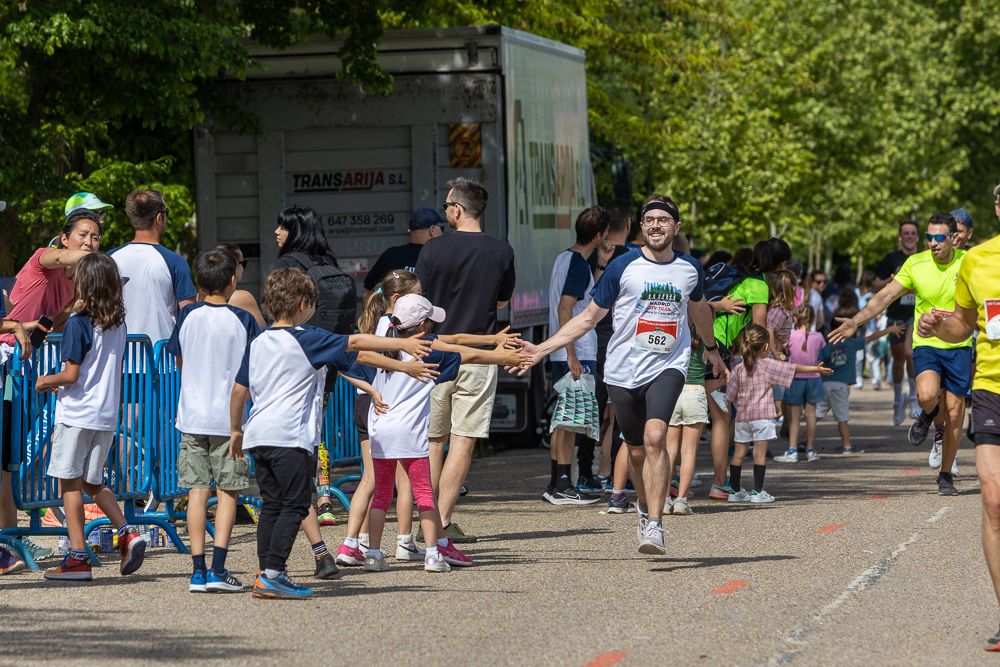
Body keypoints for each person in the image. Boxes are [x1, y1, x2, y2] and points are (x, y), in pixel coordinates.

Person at [521, 194, 727, 555]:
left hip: (668, 365)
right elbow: (587, 318)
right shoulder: (622, 267)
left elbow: (698, 310)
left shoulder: (689, 269)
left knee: (656, 436)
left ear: (676, 227)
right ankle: (644, 509)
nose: (656, 225)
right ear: (642, 227)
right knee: (634, 453)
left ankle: (656, 524)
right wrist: (541, 349)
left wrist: (712, 350)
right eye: (650, 220)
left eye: (664, 220)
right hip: (622, 369)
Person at [229, 268, 435, 599]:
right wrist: (401, 343)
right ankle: (273, 574)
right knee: (295, 505)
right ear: (302, 304)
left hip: (258, 435)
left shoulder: (258, 340)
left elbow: (239, 390)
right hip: (290, 437)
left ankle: (264, 570)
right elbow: (355, 342)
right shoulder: (307, 338)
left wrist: (236, 429)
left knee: (271, 504)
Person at [362, 294, 529, 572]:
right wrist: (503, 356)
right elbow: (466, 354)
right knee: (425, 494)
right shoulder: (428, 352)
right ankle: (431, 554)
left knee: (380, 495)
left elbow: (355, 361)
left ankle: (374, 554)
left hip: (380, 428)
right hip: (410, 433)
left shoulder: (383, 346)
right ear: (424, 326)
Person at [916, 185, 1000, 649]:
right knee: (992, 500)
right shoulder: (978, 260)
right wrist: (938, 324)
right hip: (991, 388)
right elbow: (964, 325)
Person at [832, 213, 970, 494]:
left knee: (955, 414)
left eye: (939, 237)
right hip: (927, 342)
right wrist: (856, 322)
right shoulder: (916, 263)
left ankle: (945, 475)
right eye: (929, 237)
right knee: (927, 395)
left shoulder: (967, 263)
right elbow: (884, 296)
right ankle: (927, 416)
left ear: (954, 238)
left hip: (958, 344)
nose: (932, 243)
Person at [0, 209, 102, 571]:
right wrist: (99, 261)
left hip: (25, 371)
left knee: (9, 462)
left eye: (96, 237)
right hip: (5, 363)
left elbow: (51, 321)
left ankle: (6, 545)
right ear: (64, 237)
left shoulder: (76, 286)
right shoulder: (43, 258)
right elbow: (62, 258)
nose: (89, 242)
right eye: (83, 235)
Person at [35, 254, 147, 581]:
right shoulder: (117, 323)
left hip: (77, 411)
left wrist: (44, 381)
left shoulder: (79, 323)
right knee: (94, 481)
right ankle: (127, 532)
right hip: (106, 415)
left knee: (68, 481)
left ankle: (77, 556)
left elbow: (70, 374)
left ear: (85, 284)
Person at [416, 177, 516, 543]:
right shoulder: (501, 251)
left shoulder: (431, 250)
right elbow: (502, 303)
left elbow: (419, 304)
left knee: (431, 439)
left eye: (446, 207)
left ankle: (423, 521)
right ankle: (442, 521)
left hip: (433, 353)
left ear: (457, 209)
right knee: (463, 438)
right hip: (479, 355)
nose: (445, 213)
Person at [167, 249, 261, 593]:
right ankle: (219, 568)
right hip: (229, 420)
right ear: (233, 280)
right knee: (228, 492)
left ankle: (197, 570)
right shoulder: (243, 319)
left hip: (192, 416)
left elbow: (179, 359)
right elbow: (252, 367)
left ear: (198, 283)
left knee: (196, 491)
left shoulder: (188, 316)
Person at [273, 205, 358, 520]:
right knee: (317, 426)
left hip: (296, 358)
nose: (277, 232)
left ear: (294, 231)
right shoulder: (328, 261)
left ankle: (302, 496)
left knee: (298, 430)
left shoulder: (288, 264)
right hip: (328, 357)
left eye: (282, 227)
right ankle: (323, 497)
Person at [544, 206, 609, 505]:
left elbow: (579, 299)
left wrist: (602, 265)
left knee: (565, 419)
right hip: (575, 351)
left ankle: (558, 482)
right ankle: (562, 484)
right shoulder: (578, 265)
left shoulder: (565, 258)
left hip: (565, 350)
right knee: (569, 421)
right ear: (598, 235)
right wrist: (571, 354)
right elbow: (565, 308)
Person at [726, 324, 831, 503]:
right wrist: (815, 369)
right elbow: (794, 368)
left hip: (742, 418)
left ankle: (734, 491)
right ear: (766, 346)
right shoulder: (767, 365)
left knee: (738, 453)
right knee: (760, 453)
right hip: (762, 418)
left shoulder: (738, 368)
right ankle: (758, 492)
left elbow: (729, 396)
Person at [109, 189, 196, 343]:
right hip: (162, 361)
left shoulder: (108, 259)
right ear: (159, 217)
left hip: (116, 359)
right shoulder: (174, 261)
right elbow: (189, 316)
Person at [818, 307, 902, 454]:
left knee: (816, 415)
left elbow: (818, 363)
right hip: (841, 387)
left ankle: (805, 442)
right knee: (842, 418)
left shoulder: (827, 346)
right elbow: (872, 337)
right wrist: (889, 330)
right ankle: (847, 446)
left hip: (825, 384)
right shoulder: (851, 343)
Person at [873, 219, 921, 425]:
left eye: (913, 233)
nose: (909, 236)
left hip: (918, 314)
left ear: (918, 237)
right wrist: (890, 281)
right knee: (899, 359)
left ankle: (914, 399)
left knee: (912, 355)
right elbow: (876, 284)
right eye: (906, 233)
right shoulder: (891, 258)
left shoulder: (924, 258)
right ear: (900, 236)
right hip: (896, 315)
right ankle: (897, 400)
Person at [775, 306, 826, 463]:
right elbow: (822, 353)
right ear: (812, 319)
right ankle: (810, 449)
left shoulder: (790, 335)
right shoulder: (819, 336)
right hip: (814, 378)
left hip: (795, 377)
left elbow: (784, 351)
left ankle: (792, 450)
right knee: (811, 416)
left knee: (794, 419)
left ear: (796, 318)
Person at [363, 207, 446, 300]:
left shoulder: (390, 255)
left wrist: (373, 314)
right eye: (442, 228)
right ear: (433, 230)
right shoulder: (439, 257)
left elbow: (368, 293)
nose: (443, 233)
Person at [665, 334, 707, 515]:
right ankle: (681, 500)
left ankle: (665, 499)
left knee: (669, 451)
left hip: (673, 391)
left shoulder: (674, 337)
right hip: (695, 390)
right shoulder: (707, 341)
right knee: (688, 451)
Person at [215, 243, 266, 328]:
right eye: (244, 263)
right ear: (235, 264)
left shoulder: (200, 296)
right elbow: (261, 333)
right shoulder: (241, 298)